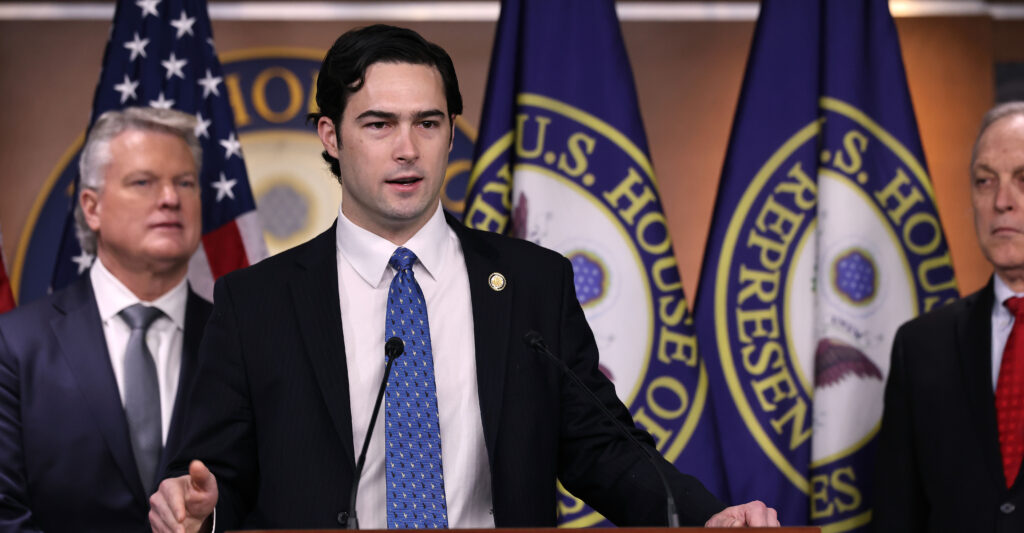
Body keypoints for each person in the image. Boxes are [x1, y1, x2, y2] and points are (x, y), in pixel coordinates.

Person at [150, 25, 779, 532]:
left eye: (428, 123)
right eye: (378, 124)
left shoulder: (534, 283)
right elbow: (210, 478)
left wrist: (706, 517)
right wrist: (192, 508)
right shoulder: (257, 301)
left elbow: (602, 449)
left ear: (451, 134)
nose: (407, 149)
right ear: (331, 136)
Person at [0, 107, 212, 532]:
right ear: (91, 207)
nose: (171, 197)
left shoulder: (237, 338)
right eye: (143, 182)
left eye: (185, 183)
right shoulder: (15, 344)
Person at [873, 101, 1024, 532]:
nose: (1001, 202)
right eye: (984, 181)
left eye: (1023, 179)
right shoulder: (921, 346)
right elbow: (896, 514)